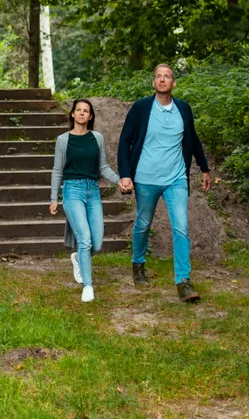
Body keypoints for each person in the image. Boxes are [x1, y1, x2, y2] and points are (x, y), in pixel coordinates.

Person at [117, 63, 212, 302]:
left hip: (176, 178)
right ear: (153, 82)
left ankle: (183, 281)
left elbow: (193, 138)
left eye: (167, 76)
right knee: (143, 223)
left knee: (181, 226)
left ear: (173, 83)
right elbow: (124, 142)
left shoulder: (183, 109)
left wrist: (204, 168)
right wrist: (125, 173)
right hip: (146, 179)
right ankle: (138, 265)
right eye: (158, 76)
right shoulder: (140, 108)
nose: (162, 79)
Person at [49, 99, 120, 303]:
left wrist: (120, 181)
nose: (81, 113)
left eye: (86, 111)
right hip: (72, 192)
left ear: (90, 116)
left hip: (93, 192)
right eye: (78, 110)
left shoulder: (96, 138)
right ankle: (88, 286)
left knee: (96, 244)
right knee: (85, 238)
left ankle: (78, 258)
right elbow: (57, 170)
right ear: (72, 114)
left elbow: (103, 167)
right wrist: (54, 198)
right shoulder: (63, 140)